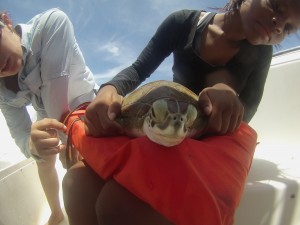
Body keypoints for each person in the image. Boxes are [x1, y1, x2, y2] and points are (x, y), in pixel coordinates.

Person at [62, 0, 300, 225]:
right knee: (77, 183)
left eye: (288, 28)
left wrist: (226, 94)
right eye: (277, 6)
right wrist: (108, 91)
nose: (279, 24)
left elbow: (249, 110)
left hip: (207, 137)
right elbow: (137, 70)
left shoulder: (261, 54)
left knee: (117, 205)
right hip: (162, 121)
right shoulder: (184, 23)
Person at [0, 8, 96, 225]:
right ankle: (56, 211)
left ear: (5, 21)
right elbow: (20, 134)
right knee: (42, 154)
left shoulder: (51, 23)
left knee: (83, 174)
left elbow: (55, 93)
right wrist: (34, 145)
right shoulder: (2, 91)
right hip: (51, 115)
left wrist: (70, 149)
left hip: (87, 107)